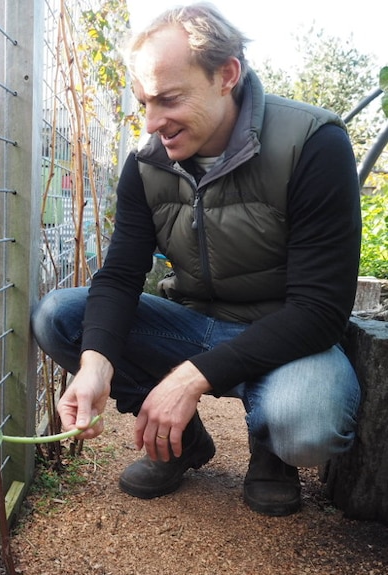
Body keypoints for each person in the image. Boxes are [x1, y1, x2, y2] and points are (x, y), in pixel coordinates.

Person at [31, 2, 361, 517]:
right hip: (193, 320)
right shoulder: (146, 164)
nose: (152, 122)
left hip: (286, 334)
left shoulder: (312, 143)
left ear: (226, 74)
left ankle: (272, 452)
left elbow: (320, 310)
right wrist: (94, 366)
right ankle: (179, 442)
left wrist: (189, 379)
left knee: (308, 421)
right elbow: (119, 276)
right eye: (144, 101)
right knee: (59, 316)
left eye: (168, 99)